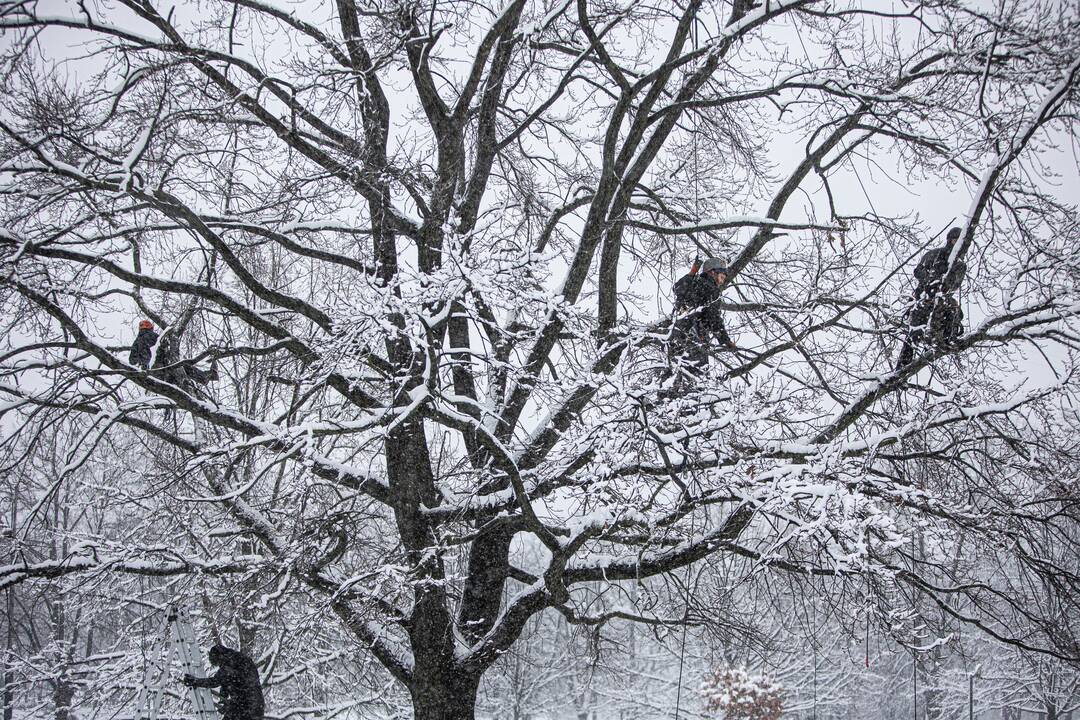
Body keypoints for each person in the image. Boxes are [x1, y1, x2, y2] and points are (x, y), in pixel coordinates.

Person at [897, 228, 966, 369]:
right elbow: (918, 271)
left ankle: (944, 341)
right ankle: (903, 366)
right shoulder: (935, 254)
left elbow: (956, 285)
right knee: (915, 331)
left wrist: (946, 285)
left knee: (956, 315)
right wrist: (931, 280)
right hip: (923, 297)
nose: (956, 243)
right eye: (955, 240)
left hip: (942, 299)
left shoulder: (960, 264)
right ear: (949, 240)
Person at [666, 256, 735, 389]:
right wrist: (725, 340)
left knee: (674, 373)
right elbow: (713, 318)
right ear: (712, 272)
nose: (722, 281)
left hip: (675, 334)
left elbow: (677, 289)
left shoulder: (693, 282)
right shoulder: (711, 289)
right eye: (721, 277)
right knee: (698, 378)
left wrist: (691, 273)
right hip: (696, 335)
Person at [183, 644, 264, 720]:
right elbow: (231, 681)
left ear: (219, 657)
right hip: (256, 705)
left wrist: (195, 681)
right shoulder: (240, 659)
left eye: (218, 663)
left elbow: (215, 681)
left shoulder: (229, 663)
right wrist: (225, 701)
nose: (219, 665)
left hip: (244, 707)